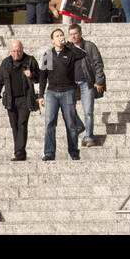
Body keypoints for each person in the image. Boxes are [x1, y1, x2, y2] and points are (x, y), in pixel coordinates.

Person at [38, 27, 86, 161]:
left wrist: (69, 44)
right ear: (52, 40)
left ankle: (74, 152)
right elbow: (43, 76)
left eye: (61, 35)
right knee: (49, 123)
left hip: (68, 92)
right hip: (52, 92)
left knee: (70, 123)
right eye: (57, 36)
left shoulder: (70, 52)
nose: (60, 37)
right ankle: (49, 152)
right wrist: (41, 95)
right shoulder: (48, 55)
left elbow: (82, 54)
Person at [0, 38, 40, 162]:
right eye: (13, 51)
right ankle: (20, 151)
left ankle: (19, 151)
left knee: (22, 123)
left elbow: (39, 78)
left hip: (25, 98)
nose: (16, 54)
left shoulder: (30, 61)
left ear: (22, 50)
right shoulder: (6, 63)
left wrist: (32, 75)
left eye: (18, 51)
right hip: (11, 99)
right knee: (14, 125)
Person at [67, 24, 105, 147]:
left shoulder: (89, 46)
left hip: (86, 82)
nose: (73, 36)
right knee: (68, 108)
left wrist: (99, 81)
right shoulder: (67, 48)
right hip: (71, 84)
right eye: (71, 34)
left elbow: (98, 64)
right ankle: (79, 126)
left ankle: (89, 136)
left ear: (80, 33)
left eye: (75, 33)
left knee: (88, 111)